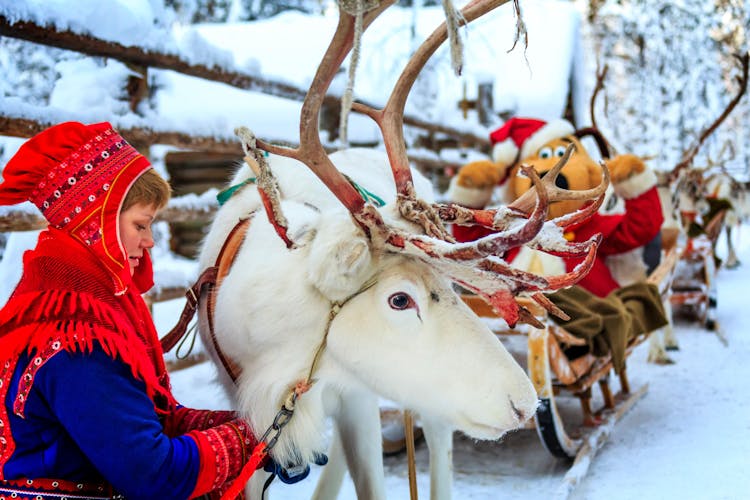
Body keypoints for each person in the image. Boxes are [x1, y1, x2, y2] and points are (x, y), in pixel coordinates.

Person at [0, 122, 265, 499]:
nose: (149, 240)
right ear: (96, 223)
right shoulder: (79, 342)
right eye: (141, 224)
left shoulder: (62, 302)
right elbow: (155, 474)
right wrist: (246, 437)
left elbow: (149, 421)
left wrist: (250, 425)